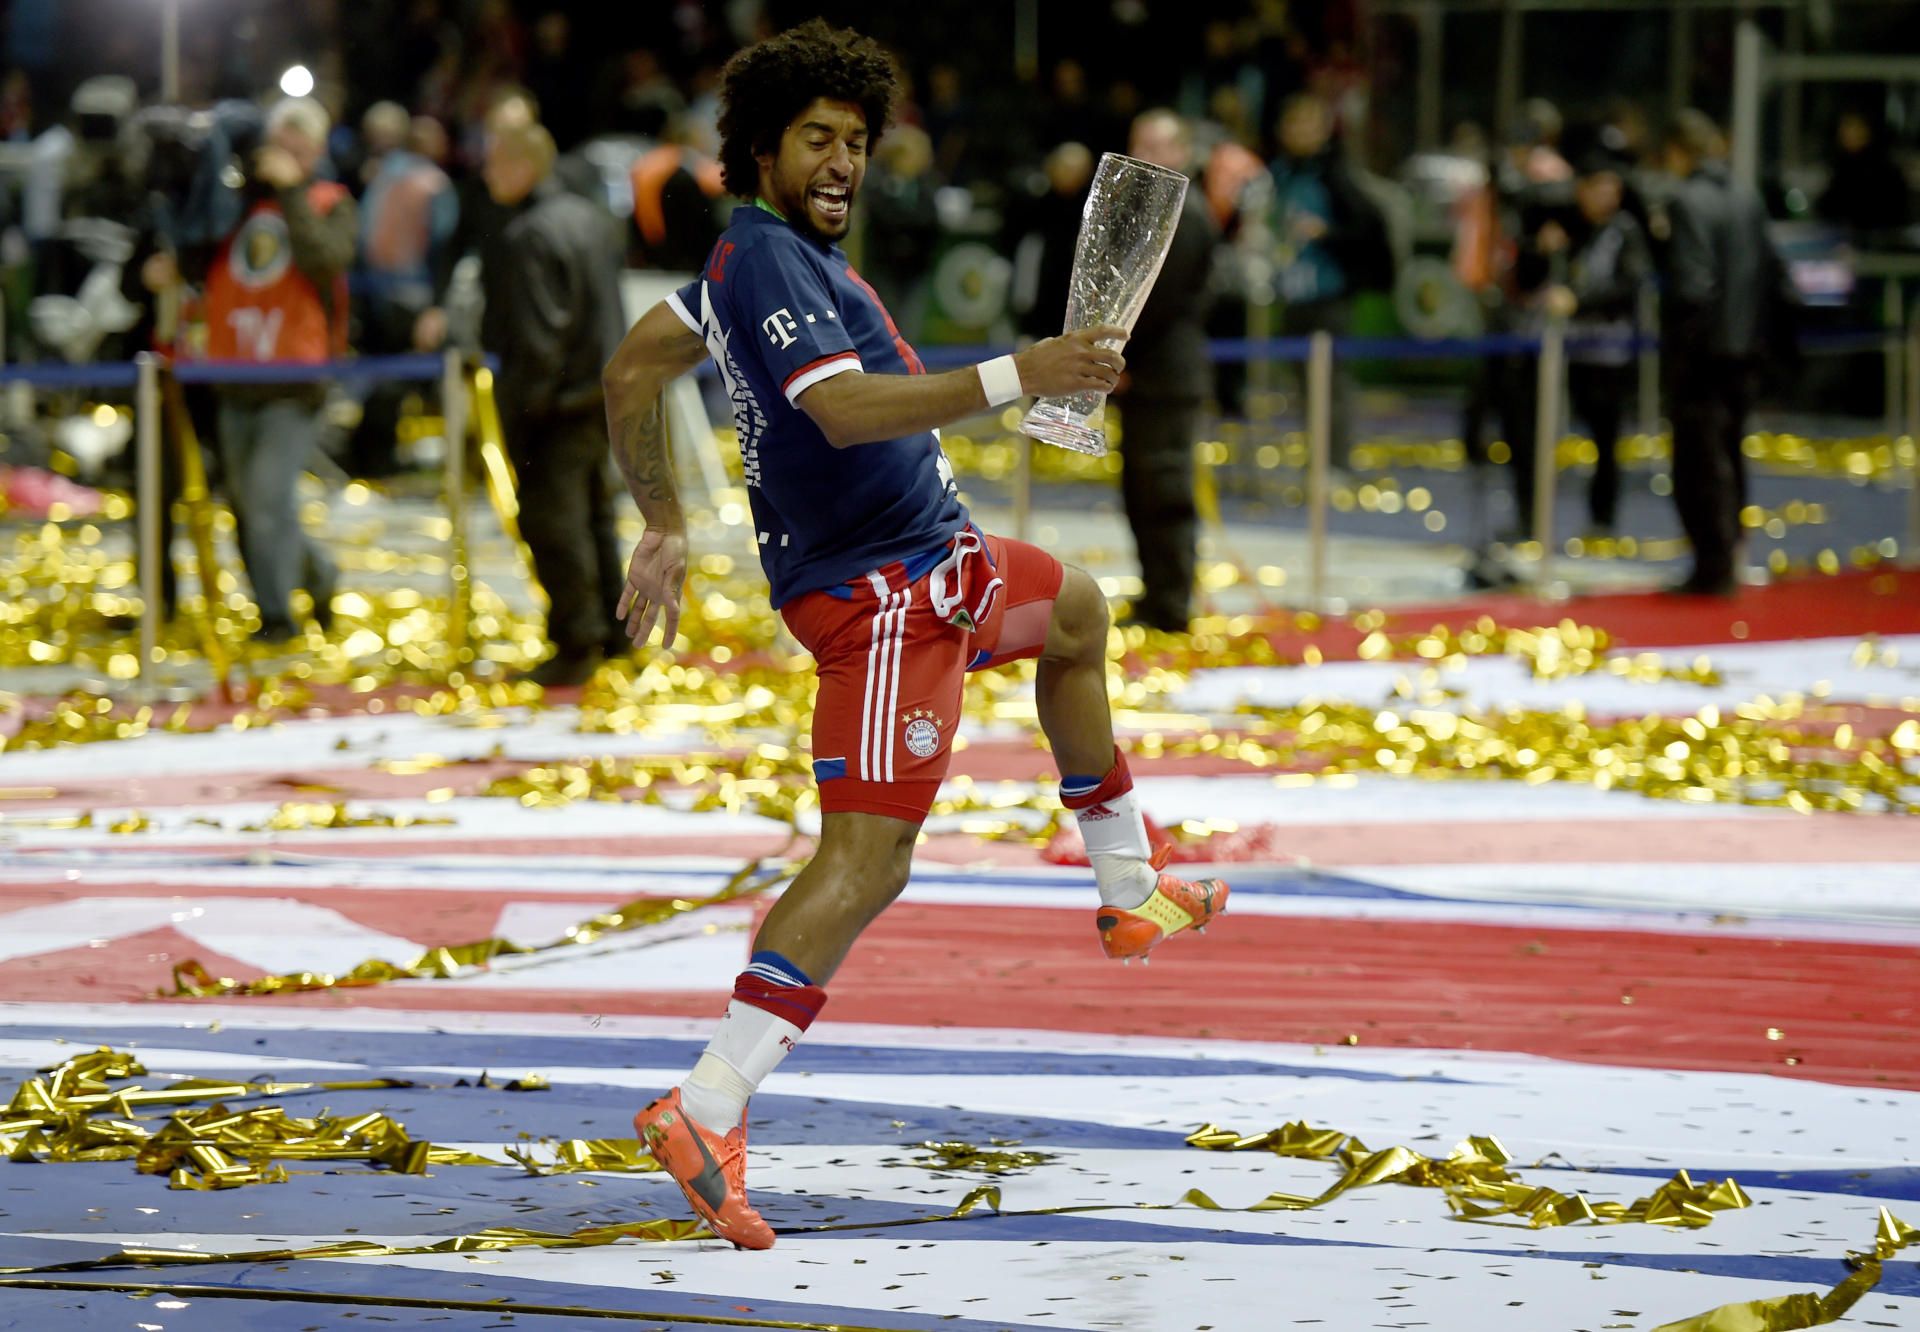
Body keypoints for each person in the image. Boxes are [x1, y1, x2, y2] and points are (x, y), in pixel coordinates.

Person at [599, 19, 1230, 1250]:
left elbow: (632, 369)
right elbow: (841, 413)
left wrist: (663, 523)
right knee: (867, 861)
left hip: (941, 563)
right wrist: (1021, 372)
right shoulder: (768, 261)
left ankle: (1128, 890)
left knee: (1079, 615)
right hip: (885, 598)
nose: (842, 161)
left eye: (855, 139)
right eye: (816, 139)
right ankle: (705, 1105)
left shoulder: (755, 264)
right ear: (761, 149)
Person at [193, 96, 354, 642]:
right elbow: (199, 253)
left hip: (295, 381)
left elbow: (324, 260)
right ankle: (319, 574)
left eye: (299, 150)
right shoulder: (236, 205)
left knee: (267, 499)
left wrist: (291, 192)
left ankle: (277, 615)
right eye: (280, 147)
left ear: (317, 152)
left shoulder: (331, 202)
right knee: (250, 505)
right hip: (234, 373)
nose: (286, 158)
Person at [478, 119, 630, 685]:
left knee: (554, 522)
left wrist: (523, 409)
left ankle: (577, 641)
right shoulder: (591, 219)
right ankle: (614, 631)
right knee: (595, 516)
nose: (487, 173)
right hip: (601, 391)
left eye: (496, 162)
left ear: (523, 165)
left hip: (556, 402)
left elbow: (539, 337)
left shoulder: (530, 234)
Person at [1660, 110, 1796, 597]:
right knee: (1731, 452)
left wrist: (1681, 349)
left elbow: (1693, 285)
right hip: (1745, 349)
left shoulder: (1685, 201)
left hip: (1705, 353)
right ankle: (1731, 552)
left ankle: (1712, 563)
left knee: (1700, 459)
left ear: (1677, 151)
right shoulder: (1746, 197)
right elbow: (1773, 273)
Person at [1115, 109, 1217, 632]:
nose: (1146, 157)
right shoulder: (1152, 212)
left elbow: (1162, 302)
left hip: (1167, 375)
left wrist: (1122, 356)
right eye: (1140, 145)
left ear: (1182, 152)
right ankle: (1156, 593)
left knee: (1165, 489)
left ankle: (1171, 601)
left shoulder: (1186, 216)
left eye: (1158, 146)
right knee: (1141, 489)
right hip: (1147, 374)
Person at [1268, 92, 1391, 470]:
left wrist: (1327, 234)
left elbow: (1368, 227)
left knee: (1332, 385)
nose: (1301, 132)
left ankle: (1335, 464)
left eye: (1310, 124)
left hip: (1329, 296)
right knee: (1303, 387)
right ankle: (1317, 462)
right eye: (1294, 123)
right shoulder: (1279, 174)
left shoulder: (1337, 175)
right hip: (1292, 294)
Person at [1541, 153, 1652, 537]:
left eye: (1612, 189)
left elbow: (1630, 284)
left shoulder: (1625, 232)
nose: (1607, 196)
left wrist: (1580, 301)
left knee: (1607, 437)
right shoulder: (1577, 231)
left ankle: (1603, 516)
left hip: (1611, 350)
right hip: (1575, 347)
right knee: (1572, 428)